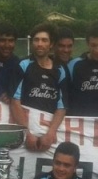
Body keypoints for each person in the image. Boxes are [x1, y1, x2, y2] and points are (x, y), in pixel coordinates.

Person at [10, 22, 67, 152]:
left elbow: (62, 105)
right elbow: (15, 101)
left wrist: (51, 133)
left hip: (48, 135)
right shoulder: (23, 65)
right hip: (26, 134)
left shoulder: (60, 70)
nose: (39, 44)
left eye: (44, 40)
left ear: (51, 44)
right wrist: (27, 133)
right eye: (36, 40)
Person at [0, 21, 20, 103]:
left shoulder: (19, 65)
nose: (7, 45)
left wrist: (11, 95)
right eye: (2, 40)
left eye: (11, 41)